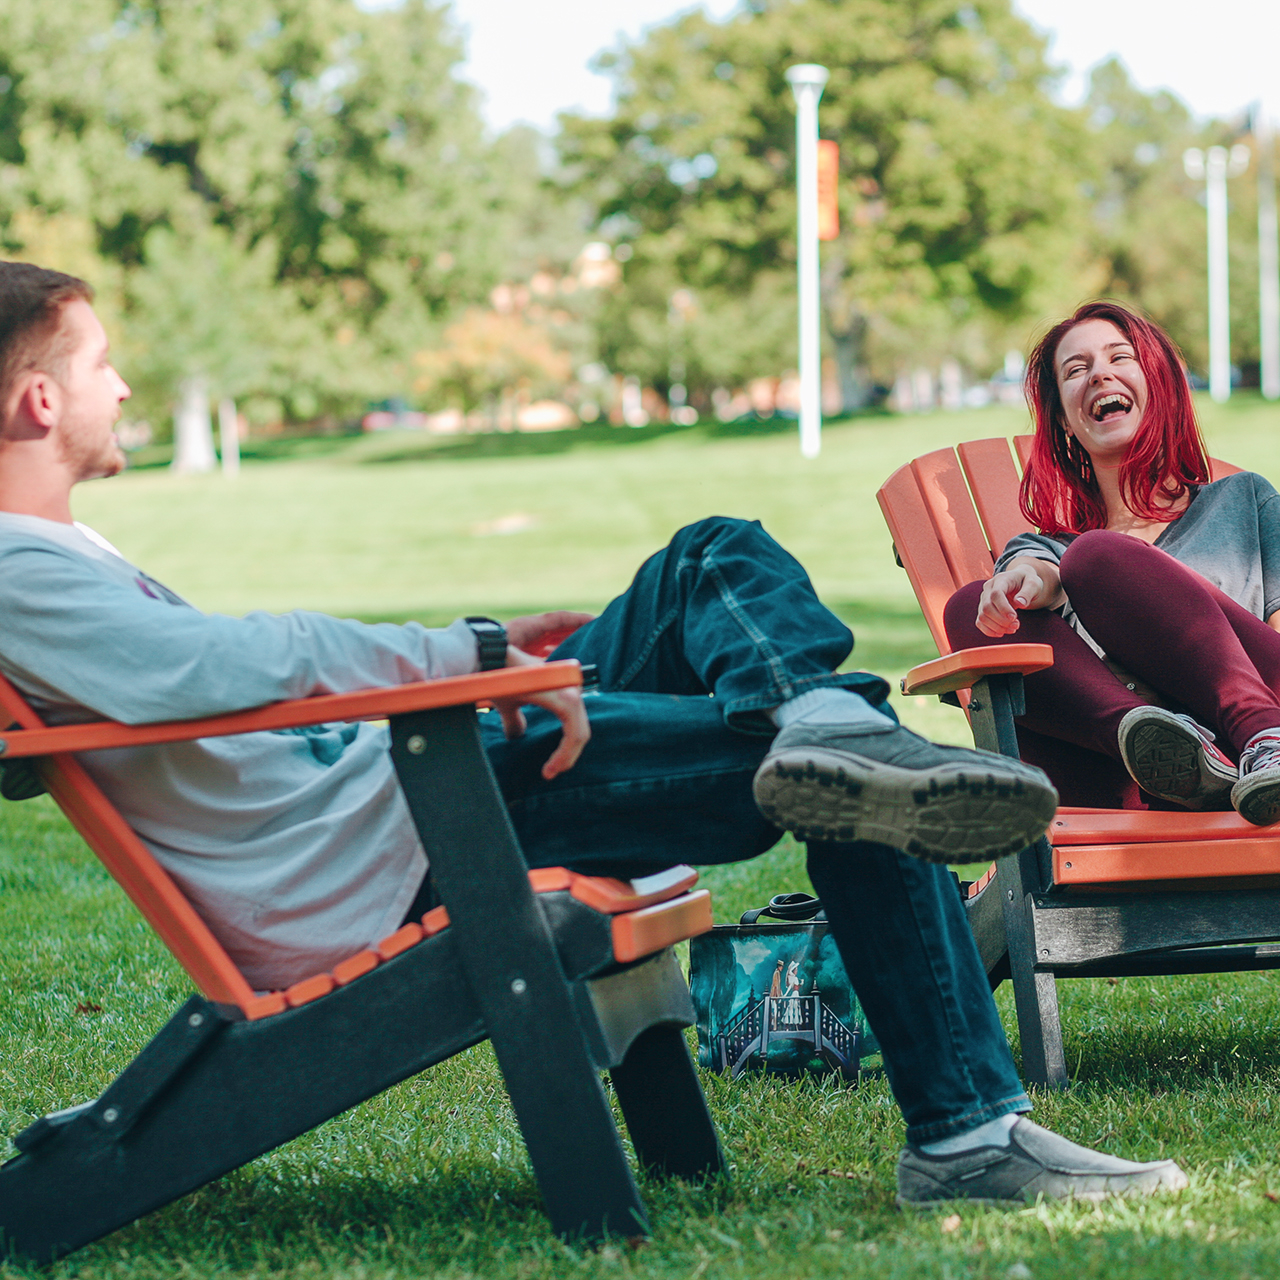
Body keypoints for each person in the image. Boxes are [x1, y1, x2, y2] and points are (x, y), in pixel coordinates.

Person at [0, 262, 1187, 1207]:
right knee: (861, 773)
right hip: (408, 821)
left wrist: (491, 644)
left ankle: (822, 717)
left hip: (397, 786)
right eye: (101, 363)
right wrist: (463, 660)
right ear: (37, 397)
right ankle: (965, 1130)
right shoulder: (16, 568)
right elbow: (217, 670)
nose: (123, 387)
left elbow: (219, 695)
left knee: (707, 556)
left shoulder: (53, 559)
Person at [946, 300, 1280, 821]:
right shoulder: (1054, 549)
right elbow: (1039, 572)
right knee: (972, 608)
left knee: (1102, 558)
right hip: (1145, 790)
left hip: (1268, 717)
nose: (1099, 374)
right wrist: (1020, 585)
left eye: (1119, 358)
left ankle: (1263, 733)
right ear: (1063, 421)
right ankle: (1163, 744)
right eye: (1075, 370)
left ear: (1159, 385)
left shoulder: (1243, 502)